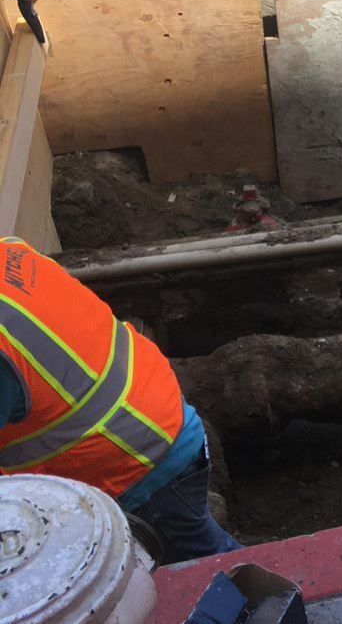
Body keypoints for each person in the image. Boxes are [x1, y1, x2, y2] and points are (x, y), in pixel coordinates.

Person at [0, 236, 242, 565]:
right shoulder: (7, 250)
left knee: (207, 582)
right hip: (153, 420)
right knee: (212, 566)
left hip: (137, 470)